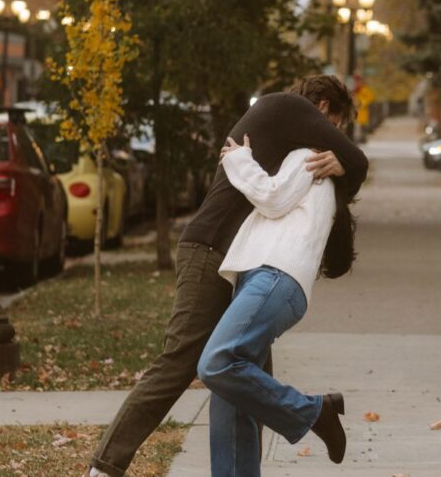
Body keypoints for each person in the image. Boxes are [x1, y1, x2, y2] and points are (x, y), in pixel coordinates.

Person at [86, 76, 367, 477]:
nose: (333, 138)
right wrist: (343, 161)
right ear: (322, 108)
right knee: (183, 364)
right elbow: (357, 160)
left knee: (242, 386)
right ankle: (105, 467)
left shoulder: (287, 142)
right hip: (210, 252)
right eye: (335, 126)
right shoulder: (288, 108)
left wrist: (338, 168)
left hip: (240, 263)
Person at [198, 127, 349, 475]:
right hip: (264, 279)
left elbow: (272, 197)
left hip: (275, 276)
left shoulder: (308, 156)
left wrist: (239, 160)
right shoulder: (311, 164)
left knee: (215, 363)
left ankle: (314, 412)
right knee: (229, 393)